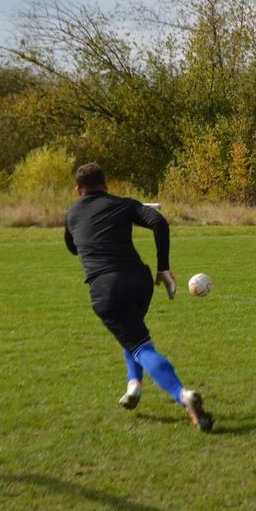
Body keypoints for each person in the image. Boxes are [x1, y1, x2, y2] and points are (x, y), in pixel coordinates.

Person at [64, 163, 213, 431]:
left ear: (78, 191)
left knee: (140, 346)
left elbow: (73, 248)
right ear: (107, 185)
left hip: (106, 288)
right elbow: (158, 221)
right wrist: (163, 269)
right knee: (132, 333)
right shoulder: (124, 203)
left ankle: (183, 395)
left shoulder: (72, 212)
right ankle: (134, 386)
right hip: (139, 281)